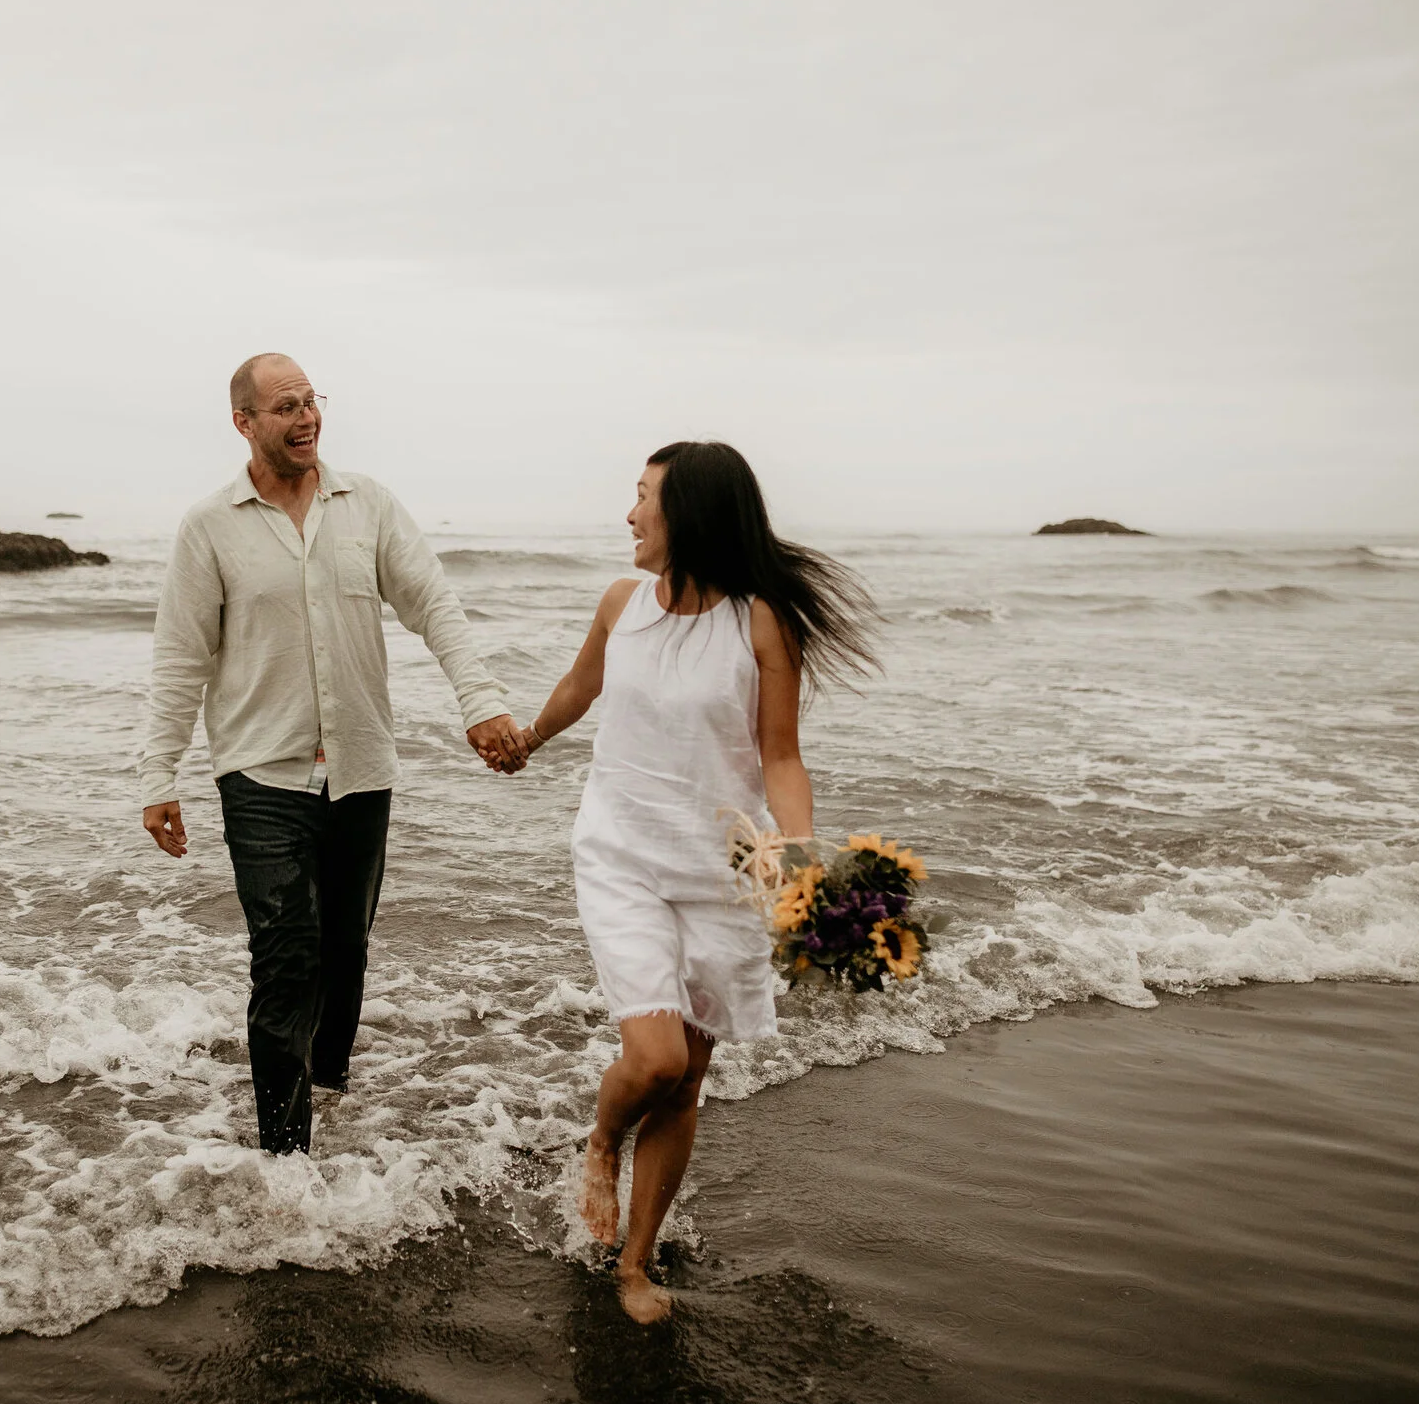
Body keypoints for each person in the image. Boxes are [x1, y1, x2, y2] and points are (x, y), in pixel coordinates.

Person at [515, 440, 877, 1323]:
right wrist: (526, 740)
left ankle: (634, 1262)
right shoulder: (621, 604)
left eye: (644, 497)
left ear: (692, 514)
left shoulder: (761, 622)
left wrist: (801, 858)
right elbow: (580, 686)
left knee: (687, 1081)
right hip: (622, 854)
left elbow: (781, 757)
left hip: (724, 869)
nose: (630, 513)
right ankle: (603, 1137)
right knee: (657, 1058)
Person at [139, 353, 527, 1156]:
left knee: (345, 948)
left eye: (311, 400)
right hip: (260, 771)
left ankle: (329, 1087)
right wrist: (158, 774)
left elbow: (433, 604)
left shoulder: (368, 505)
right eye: (285, 406)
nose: (306, 417)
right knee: (286, 959)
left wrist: (480, 699)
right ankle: (285, 1157)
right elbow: (181, 657)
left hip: (360, 766)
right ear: (244, 422)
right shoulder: (210, 526)